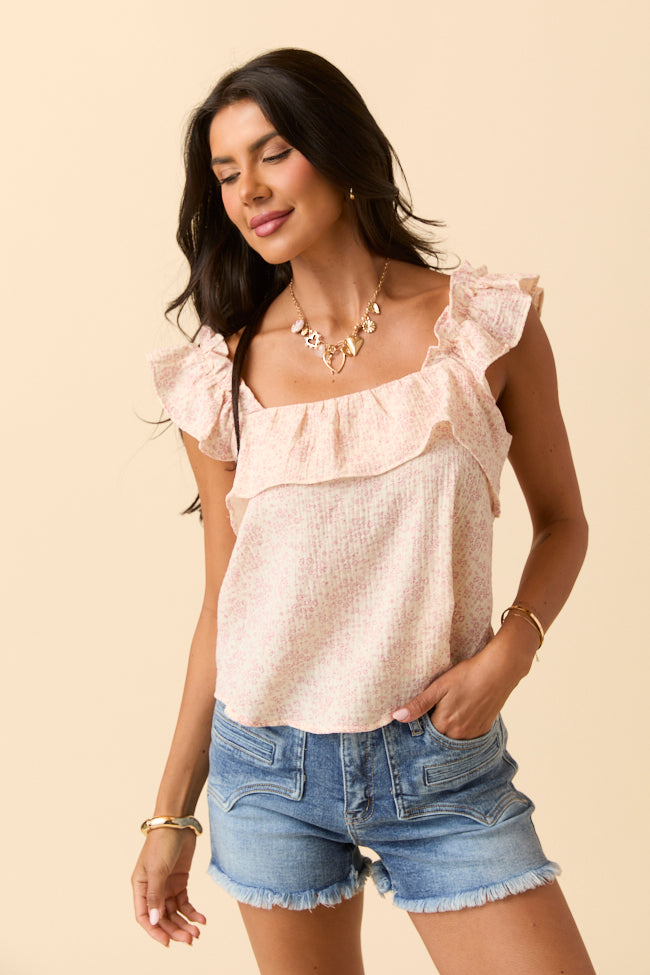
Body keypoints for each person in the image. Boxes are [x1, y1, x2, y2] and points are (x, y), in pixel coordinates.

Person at [131, 48, 595, 975]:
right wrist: (170, 811)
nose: (249, 190)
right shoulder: (221, 375)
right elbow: (224, 602)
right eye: (225, 172)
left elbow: (563, 522)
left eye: (273, 154)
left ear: (339, 153)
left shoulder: (483, 327)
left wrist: (512, 651)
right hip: (268, 774)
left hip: (440, 765)